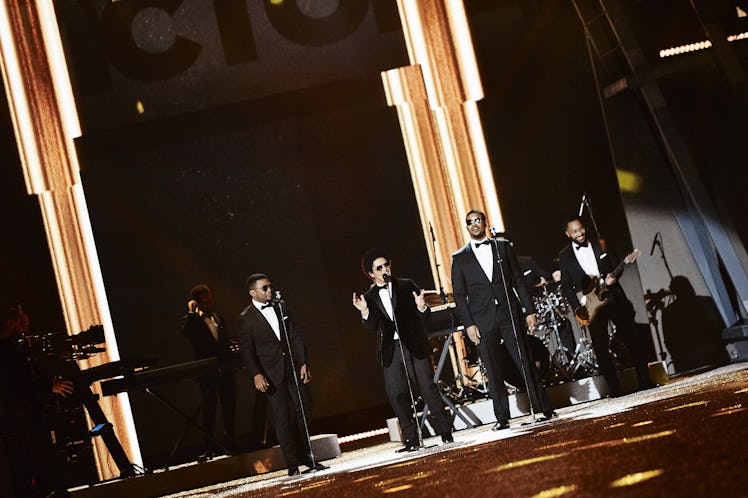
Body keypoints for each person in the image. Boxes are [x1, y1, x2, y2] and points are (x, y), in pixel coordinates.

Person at [451, 210, 556, 430]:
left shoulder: (502, 248)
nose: (474, 225)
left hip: (509, 313)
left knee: (524, 360)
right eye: (470, 222)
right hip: (482, 320)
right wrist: (469, 324)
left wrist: (529, 310)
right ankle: (502, 418)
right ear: (466, 227)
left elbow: (518, 280)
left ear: (485, 222)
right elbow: (459, 295)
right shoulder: (460, 258)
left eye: (478, 220)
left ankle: (544, 408)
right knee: (493, 368)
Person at [352, 249, 453, 452]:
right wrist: (364, 311)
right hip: (391, 350)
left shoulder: (406, 285)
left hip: (413, 345)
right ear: (371, 274)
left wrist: (422, 307)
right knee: (397, 394)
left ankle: (445, 431)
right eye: (378, 268)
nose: (384, 270)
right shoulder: (369, 297)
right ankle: (411, 439)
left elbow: (425, 318)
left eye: (386, 265)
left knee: (427, 388)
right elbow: (373, 328)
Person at [236, 274, 327, 476]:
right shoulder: (246, 318)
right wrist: (256, 374)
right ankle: (292, 464)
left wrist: (303, 361)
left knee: (304, 407)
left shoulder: (281, 306)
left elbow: (294, 334)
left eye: (270, 286)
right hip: (270, 374)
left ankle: (308, 456)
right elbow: (247, 351)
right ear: (253, 292)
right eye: (264, 288)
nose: (270, 290)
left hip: (292, 367)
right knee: (281, 417)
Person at [557, 217, 654, 396]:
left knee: (631, 337)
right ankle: (615, 389)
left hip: (613, 296)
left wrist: (614, 277)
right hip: (591, 306)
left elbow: (618, 263)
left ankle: (645, 379)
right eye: (575, 231)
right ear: (568, 234)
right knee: (600, 347)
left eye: (581, 229)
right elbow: (566, 286)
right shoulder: (564, 256)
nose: (580, 233)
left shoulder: (600, 243)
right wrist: (579, 307)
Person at [0, 306, 73, 497]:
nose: (26, 330)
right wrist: (49, 388)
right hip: (22, 420)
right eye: (24, 324)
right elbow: (16, 385)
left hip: (17, 419)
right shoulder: (6, 350)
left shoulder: (9, 349)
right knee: (41, 466)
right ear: (11, 323)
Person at [181, 284, 237, 456]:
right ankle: (209, 447)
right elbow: (185, 332)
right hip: (207, 372)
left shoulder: (218, 318)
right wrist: (192, 312)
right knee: (209, 409)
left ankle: (231, 443)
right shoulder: (193, 321)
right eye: (203, 302)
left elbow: (224, 341)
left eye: (209, 301)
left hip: (225, 369)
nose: (208, 304)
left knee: (229, 406)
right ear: (197, 303)